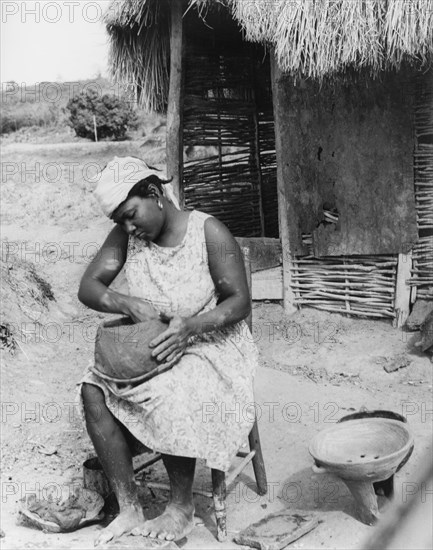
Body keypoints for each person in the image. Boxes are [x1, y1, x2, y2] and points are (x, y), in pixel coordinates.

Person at [77, 156, 258, 546]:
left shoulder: (209, 231)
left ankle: (181, 507)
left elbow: (240, 302)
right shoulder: (128, 236)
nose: (127, 226)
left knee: (173, 382)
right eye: (120, 222)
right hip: (155, 341)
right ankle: (129, 507)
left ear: (155, 194)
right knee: (92, 388)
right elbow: (88, 286)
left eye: (130, 214)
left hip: (211, 343)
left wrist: (190, 327)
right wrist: (124, 303)